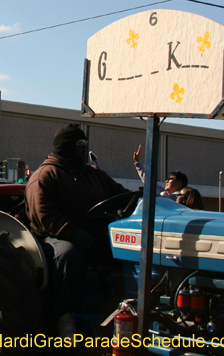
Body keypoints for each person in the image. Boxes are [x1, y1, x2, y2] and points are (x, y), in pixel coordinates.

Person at [25, 124, 128, 338]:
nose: (85, 149)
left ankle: (124, 308)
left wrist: (140, 201)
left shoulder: (94, 175)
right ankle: (64, 318)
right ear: (66, 147)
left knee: (127, 249)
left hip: (97, 233)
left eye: (86, 144)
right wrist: (75, 234)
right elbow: (46, 217)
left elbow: (120, 194)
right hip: (53, 238)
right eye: (80, 145)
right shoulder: (45, 175)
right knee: (68, 255)